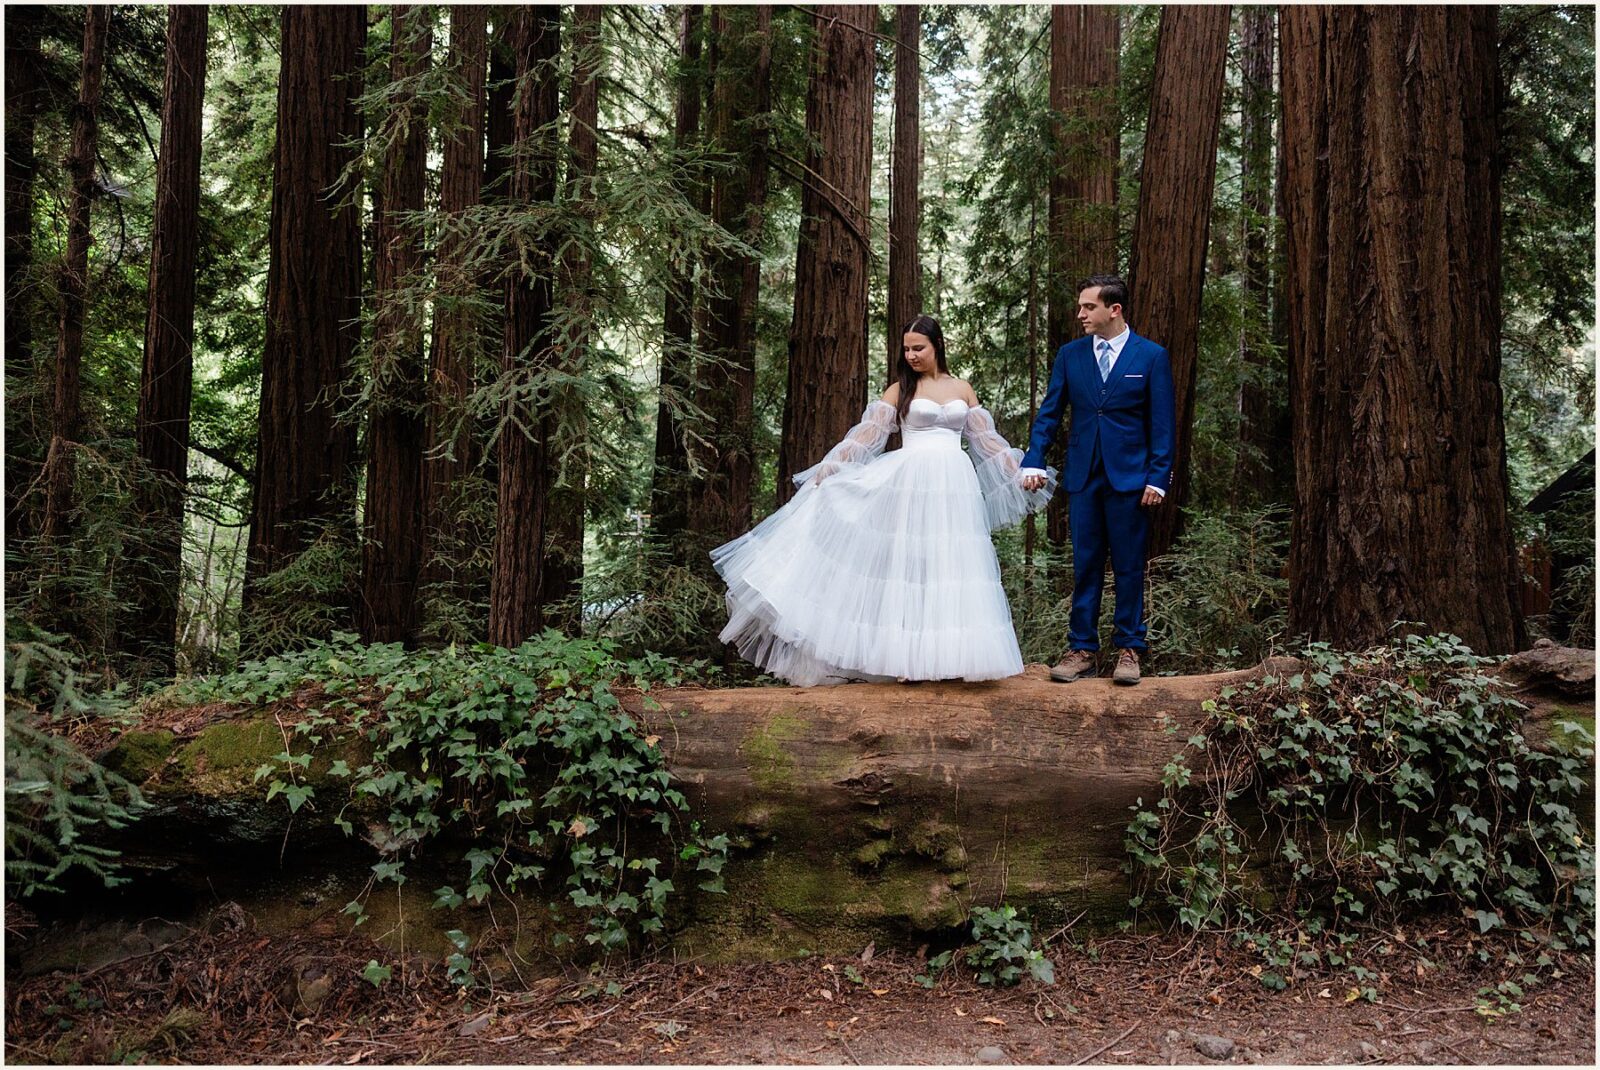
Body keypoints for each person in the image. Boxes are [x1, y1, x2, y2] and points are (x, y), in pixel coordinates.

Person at [712, 315, 1055, 686]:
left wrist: (1021, 471)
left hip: (954, 485)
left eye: (918, 348)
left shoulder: (962, 388)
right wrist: (830, 467)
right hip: (910, 482)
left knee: (951, 564)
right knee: (909, 567)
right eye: (905, 348)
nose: (910, 355)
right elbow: (865, 438)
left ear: (937, 346)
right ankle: (905, 660)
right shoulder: (899, 390)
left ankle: (946, 658)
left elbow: (987, 442)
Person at [1019, 275, 1174, 686]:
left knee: (1128, 566)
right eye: (1081, 307)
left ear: (1114, 310)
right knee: (1085, 564)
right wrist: (1033, 458)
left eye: (1089, 307)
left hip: (1130, 480)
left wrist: (1158, 477)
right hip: (1083, 477)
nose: (1081, 314)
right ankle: (1082, 649)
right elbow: (1050, 412)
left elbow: (1162, 424)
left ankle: (1129, 649)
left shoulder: (1151, 356)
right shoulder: (1070, 356)